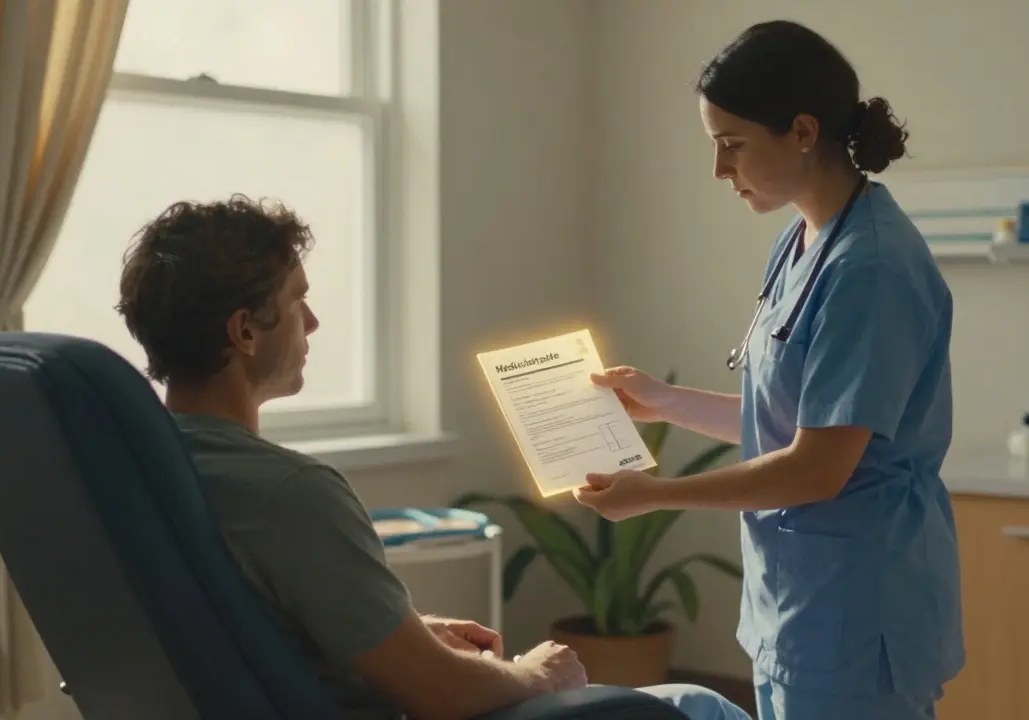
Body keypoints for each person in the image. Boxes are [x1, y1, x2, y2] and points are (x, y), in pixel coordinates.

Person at [115, 195, 751, 720]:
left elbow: (253, 626)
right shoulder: (288, 492)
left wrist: (408, 633)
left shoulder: (138, 472)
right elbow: (442, 693)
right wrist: (534, 674)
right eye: (295, 301)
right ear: (245, 331)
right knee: (696, 705)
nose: (311, 323)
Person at [572, 20, 964, 720]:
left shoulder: (870, 266)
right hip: (798, 602)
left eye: (732, 146)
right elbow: (787, 419)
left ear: (804, 131)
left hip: (856, 606)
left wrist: (656, 494)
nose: (720, 170)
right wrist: (662, 401)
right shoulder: (801, 240)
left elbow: (818, 466)